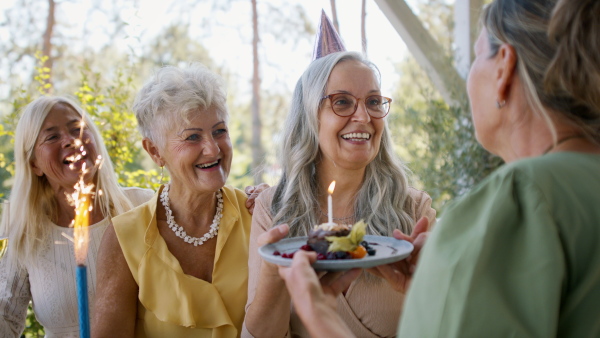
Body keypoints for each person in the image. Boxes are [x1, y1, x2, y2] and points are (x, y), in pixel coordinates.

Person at [272, 0, 600, 336]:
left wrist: (319, 316)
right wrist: (434, 291)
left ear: (503, 67)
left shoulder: (522, 199)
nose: (362, 116)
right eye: (342, 102)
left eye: (474, 57)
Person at [243, 51, 436, 338]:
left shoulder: (414, 209)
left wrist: (435, 284)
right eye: (342, 102)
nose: (363, 116)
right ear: (310, 116)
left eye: (373, 101)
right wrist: (275, 271)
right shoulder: (273, 208)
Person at [92, 64, 253, 337]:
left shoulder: (256, 214)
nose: (213, 148)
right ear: (155, 151)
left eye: (219, 131)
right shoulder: (125, 237)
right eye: (192, 137)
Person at [0, 96, 154, 337]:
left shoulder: (144, 206)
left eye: (77, 128)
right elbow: (5, 320)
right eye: (52, 136)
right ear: (34, 165)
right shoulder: (22, 231)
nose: (71, 140)